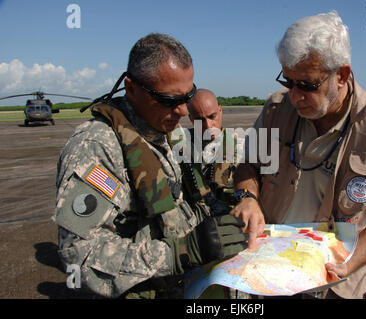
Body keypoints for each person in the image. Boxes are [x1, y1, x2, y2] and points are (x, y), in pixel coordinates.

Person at [231, 11, 366, 299]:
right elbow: (248, 165)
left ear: (341, 75)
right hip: (270, 275)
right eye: (287, 81)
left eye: (307, 85)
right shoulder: (275, 111)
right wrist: (247, 198)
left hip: (336, 287)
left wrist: (348, 262)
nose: (294, 95)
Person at [54, 33, 248, 299]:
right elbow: (78, 256)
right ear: (131, 89)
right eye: (169, 100)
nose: (182, 111)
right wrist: (178, 253)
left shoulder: (167, 133)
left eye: (187, 96)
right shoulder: (97, 147)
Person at [186, 89, 243, 205]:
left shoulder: (241, 146)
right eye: (200, 120)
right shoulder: (181, 145)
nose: (208, 125)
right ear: (191, 119)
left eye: (212, 116)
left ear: (220, 110)